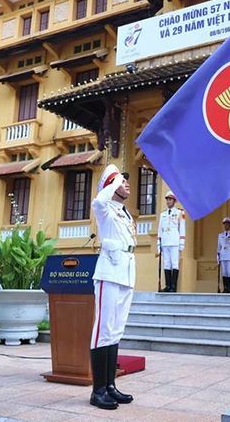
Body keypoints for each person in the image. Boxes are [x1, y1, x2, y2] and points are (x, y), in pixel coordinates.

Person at [89, 164, 136, 410]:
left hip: (125, 273)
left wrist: (117, 180)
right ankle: (97, 391)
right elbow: (98, 200)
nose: (126, 184)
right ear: (111, 186)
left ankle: (109, 386)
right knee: (102, 330)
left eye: (126, 181)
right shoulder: (104, 208)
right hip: (109, 273)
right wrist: (113, 181)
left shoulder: (124, 212)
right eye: (121, 181)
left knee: (115, 331)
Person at [156, 191, 186, 292]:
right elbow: (160, 230)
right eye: (167, 199)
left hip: (174, 242)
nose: (168, 201)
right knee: (166, 264)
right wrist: (158, 244)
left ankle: (173, 286)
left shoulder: (179, 213)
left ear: (174, 201)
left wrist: (181, 243)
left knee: (174, 264)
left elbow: (182, 228)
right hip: (165, 242)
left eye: (170, 199)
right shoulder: (163, 214)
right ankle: (168, 286)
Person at [217, 217, 230, 293]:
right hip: (223, 255)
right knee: (224, 272)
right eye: (225, 224)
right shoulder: (220, 235)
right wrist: (218, 255)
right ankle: (225, 288)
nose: (226, 226)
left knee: (229, 272)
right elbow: (219, 246)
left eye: (227, 224)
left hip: (229, 255)